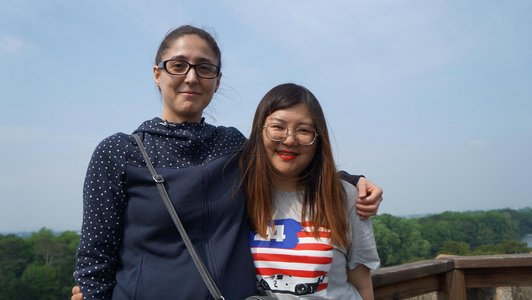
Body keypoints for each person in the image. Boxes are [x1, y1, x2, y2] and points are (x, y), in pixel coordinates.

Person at [74, 25, 383, 300]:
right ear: (157, 73)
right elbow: (95, 258)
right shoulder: (119, 152)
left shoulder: (230, 144)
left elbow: (286, 160)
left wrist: (352, 182)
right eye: (178, 65)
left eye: (204, 68)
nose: (192, 77)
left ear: (217, 81)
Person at [241, 83, 380, 299]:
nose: (289, 139)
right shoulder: (241, 195)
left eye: (304, 130)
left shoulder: (345, 197)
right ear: (260, 131)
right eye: (278, 127)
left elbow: (362, 285)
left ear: (318, 139)